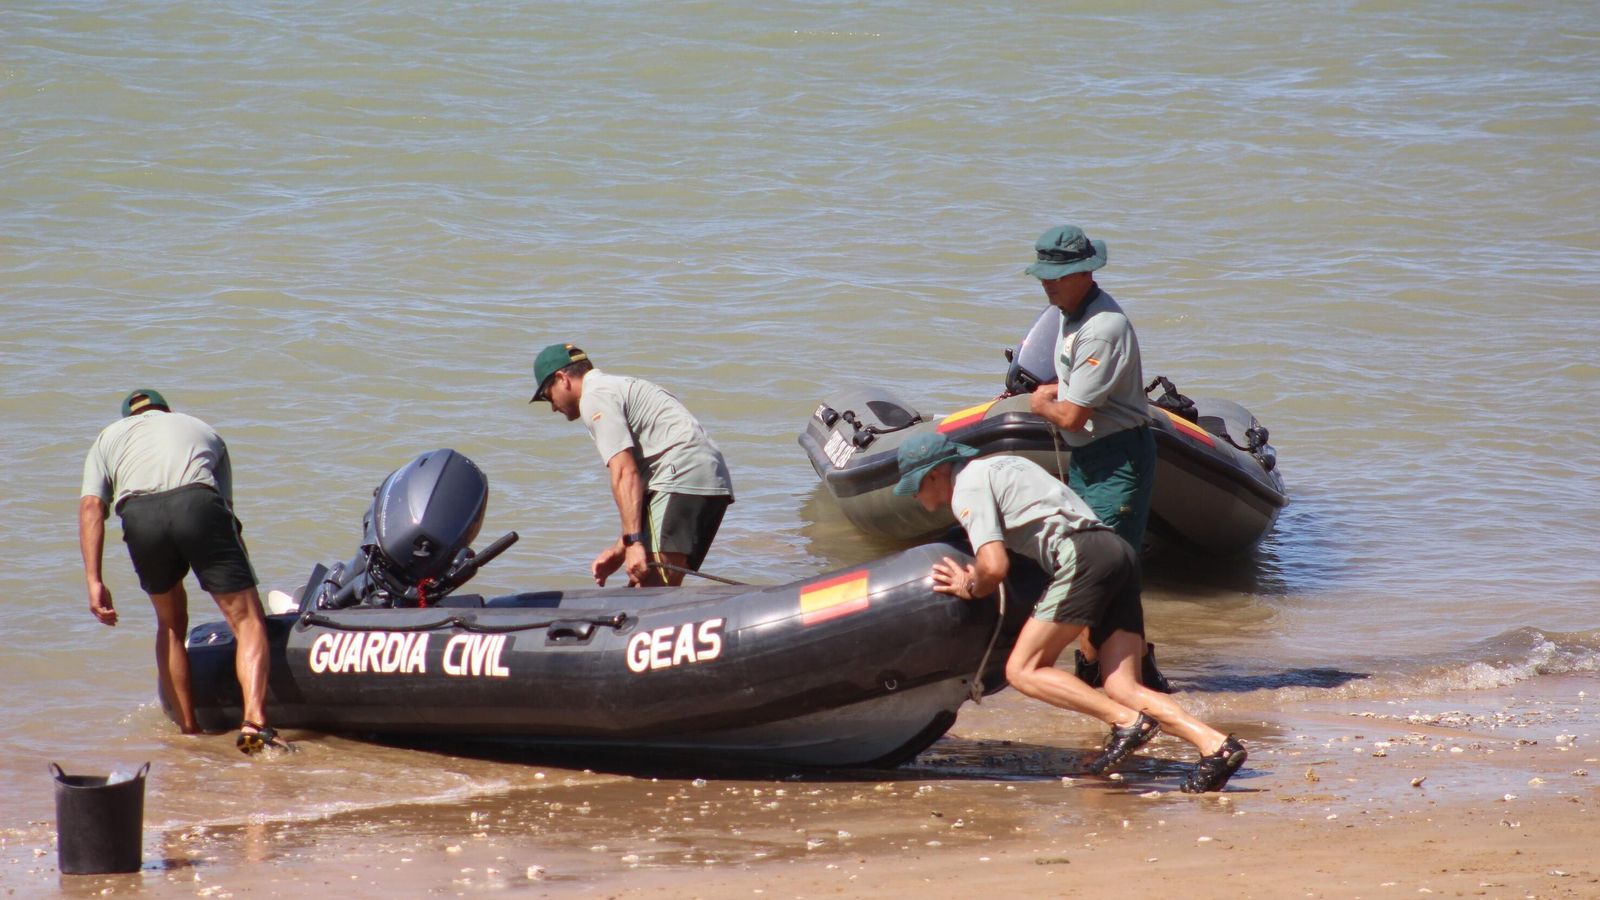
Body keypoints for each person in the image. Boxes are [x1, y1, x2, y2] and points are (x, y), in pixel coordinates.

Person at [894, 432, 1246, 792]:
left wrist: (969, 586)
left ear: (935, 474)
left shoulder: (966, 486)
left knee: (1023, 670)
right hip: (1116, 552)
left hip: (1083, 557)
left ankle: (1125, 722)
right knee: (1122, 685)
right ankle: (1216, 746)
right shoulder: (1003, 465)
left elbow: (994, 565)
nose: (913, 496)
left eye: (914, 486)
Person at [78, 389, 285, 754]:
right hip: (197, 503)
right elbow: (226, 512)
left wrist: (94, 580)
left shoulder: (107, 438)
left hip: (139, 514)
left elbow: (92, 507)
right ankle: (254, 724)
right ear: (167, 411)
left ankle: (189, 730)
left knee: (170, 624)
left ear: (129, 418)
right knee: (247, 620)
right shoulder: (201, 428)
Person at [1022, 224, 1166, 691]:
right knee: (1101, 567)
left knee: (1103, 570)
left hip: (1117, 459)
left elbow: (1069, 416)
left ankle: (1114, 674)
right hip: (1090, 458)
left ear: (1086, 271)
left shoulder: (1102, 328)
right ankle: (1108, 670)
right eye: (1044, 273)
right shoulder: (1069, 311)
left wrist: (1042, 403)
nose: (1048, 282)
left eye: (1058, 274)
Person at [530, 343, 734, 587]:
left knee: (652, 589)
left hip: (680, 477)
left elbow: (625, 472)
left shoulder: (594, 397)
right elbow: (647, 483)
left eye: (546, 395)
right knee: (652, 585)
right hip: (708, 480)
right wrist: (623, 546)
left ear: (562, 378)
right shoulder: (617, 386)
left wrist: (635, 542)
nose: (552, 407)